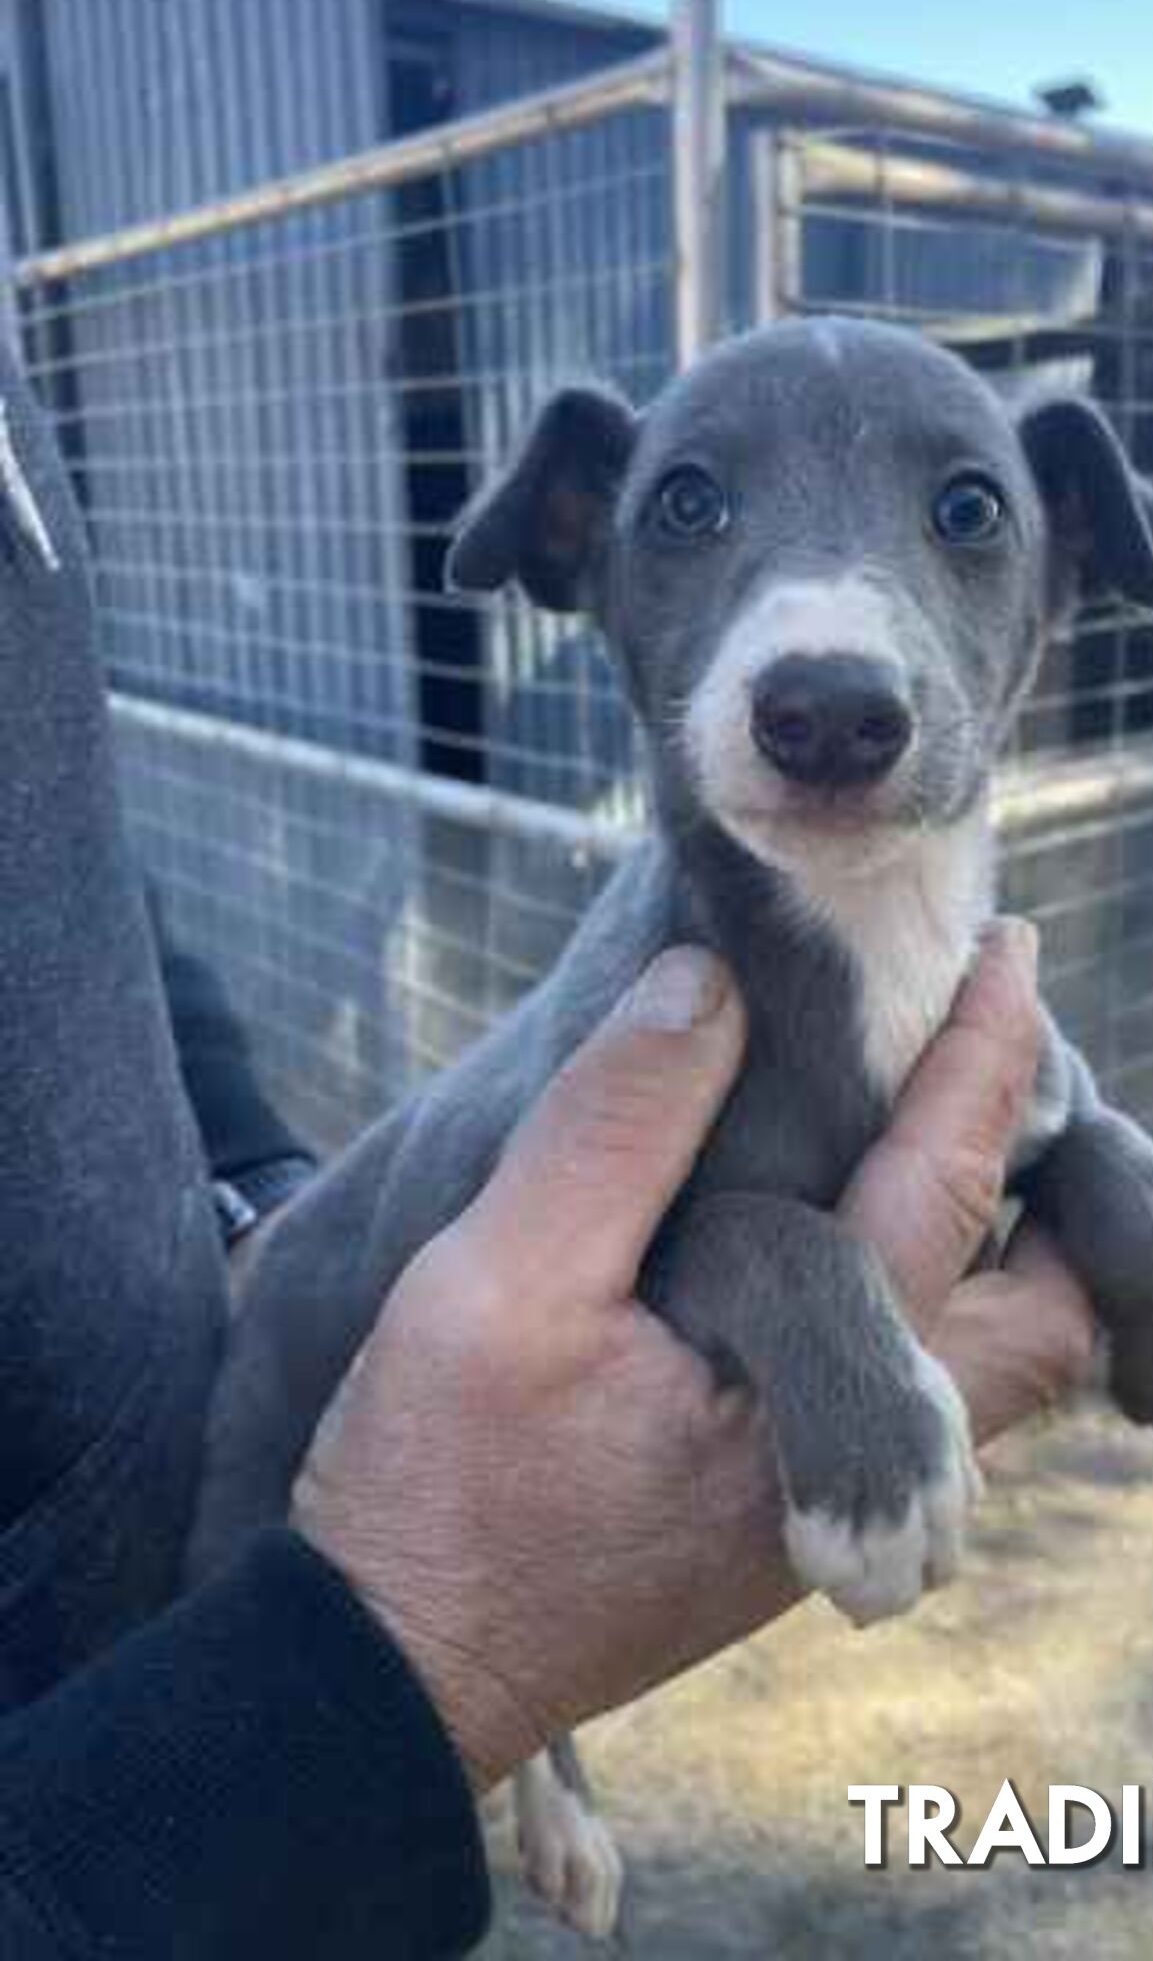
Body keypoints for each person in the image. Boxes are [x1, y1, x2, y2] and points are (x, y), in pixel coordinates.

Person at [0, 339, 1095, 1956]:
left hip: (195, 1434)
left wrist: (241, 1186)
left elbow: (60, 886)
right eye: (694, 504)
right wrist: (416, 1663)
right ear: (580, 533)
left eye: (963, 510)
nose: (832, 654)